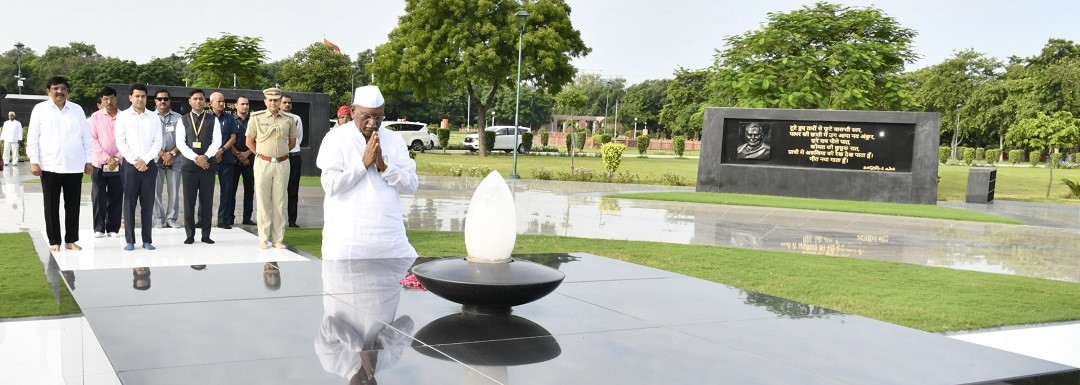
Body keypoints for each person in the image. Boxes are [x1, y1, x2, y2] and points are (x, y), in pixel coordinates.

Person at [316, 85, 419, 261]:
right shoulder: (335, 138)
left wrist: (384, 167)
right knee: (343, 288)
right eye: (367, 116)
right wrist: (363, 165)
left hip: (390, 239)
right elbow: (331, 185)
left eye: (378, 117)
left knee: (398, 284)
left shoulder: (394, 139)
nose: (373, 123)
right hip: (347, 241)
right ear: (353, 111)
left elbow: (411, 185)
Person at [26, 76, 93, 253]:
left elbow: (86, 137)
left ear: (67, 91)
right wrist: (34, 161)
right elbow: (33, 137)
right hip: (49, 165)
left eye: (63, 88)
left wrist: (89, 160)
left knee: (73, 205)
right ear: (48, 91)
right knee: (51, 205)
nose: (59, 92)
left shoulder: (77, 110)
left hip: (74, 165)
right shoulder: (40, 110)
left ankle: (71, 240)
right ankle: (54, 241)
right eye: (55, 88)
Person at [246, 87, 297, 249]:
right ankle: (263, 239)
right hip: (263, 163)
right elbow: (249, 142)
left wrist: (279, 154)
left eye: (276, 100)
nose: (273, 103)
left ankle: (278, 240)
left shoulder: (288, 119)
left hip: (282, 163)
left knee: (279, 202)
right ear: (265, 101)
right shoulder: (256, 117)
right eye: (270, 100)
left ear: (280, 101)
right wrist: (261, 155)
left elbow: (292, 142)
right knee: (262, 201)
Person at [114, 84, 163, 251]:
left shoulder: (153, 117)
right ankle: (130, 240)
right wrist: (135, 160)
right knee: (129, 202)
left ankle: (147, 240)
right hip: (130, 165)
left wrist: (146, 160)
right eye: (137, 96)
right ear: (130, 97)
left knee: (148, 203)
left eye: (143, 96)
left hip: (149, 166)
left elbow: (158, 142)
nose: (140, 99)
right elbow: (121, 141)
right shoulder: (123, 117)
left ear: (146, 98)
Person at [176, 89, 222, 245]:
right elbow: (180, 143)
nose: (198, 101)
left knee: (206, 202)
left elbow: (217, 141)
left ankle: (206, 234)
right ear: (190, 101)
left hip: (207, 166)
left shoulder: (212, 119)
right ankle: (189, 234)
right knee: (189, 202)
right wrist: (196, 158)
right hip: (189, 166)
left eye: (201, 99)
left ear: (205, 101)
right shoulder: (182, 120)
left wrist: (205, 157)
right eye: (195, 99)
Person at [88, 87, 124, 238]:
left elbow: (128, 139)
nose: (109, 102)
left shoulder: (124, 116)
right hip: (100, 163)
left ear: (116, 98)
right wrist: (106, 158)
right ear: (101, 100)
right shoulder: (94, 118)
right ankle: (99, 227)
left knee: (116, 195)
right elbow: (92, 139)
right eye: (105, 99)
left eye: (112, 98)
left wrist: (116, 158)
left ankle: (113, 228)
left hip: (119, 163)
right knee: (99, 196)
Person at [152, 89, 183, 229]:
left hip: (175, 159)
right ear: (155, 101)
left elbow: (183, 140)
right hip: (155, 159)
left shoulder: (179, 118)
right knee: (155, 191)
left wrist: (172, 153)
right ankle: (158, 219)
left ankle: (171, 218)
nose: (162, 101)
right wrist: (161, 154)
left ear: (169, 101)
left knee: (174, 190)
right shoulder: (149, 118)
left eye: (165, 99)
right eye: (160, 99)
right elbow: (147, 140)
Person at [209, 92, 240, 229]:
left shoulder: (230, 118)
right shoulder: (206, 118)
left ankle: (223, 219)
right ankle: (202, 219)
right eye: (218, 101)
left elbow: (233, 137)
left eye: (223, 101)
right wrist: (214, 152)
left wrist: (221, 150)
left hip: (226, 158)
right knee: (206, 190)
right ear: (211, 103)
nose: (221, 104)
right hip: (209, 159)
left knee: (226, 190)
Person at [230, 96, 256, 226]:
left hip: (250, 159)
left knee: (249, 190)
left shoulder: (254, 121)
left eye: (247, 104)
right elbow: (227, 139)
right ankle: (230, 217)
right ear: (236, 105)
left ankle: (247, 217)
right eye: (242, 104)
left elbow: (258, 140)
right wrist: (238, 154)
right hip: (233, 159)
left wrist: (247, 154)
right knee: (231, 189)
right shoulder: (231, 120)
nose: (245, 106)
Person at [281, 94, 304, 228]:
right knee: (278, 191)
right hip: (280, 158)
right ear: (279, 104)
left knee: (293, 191)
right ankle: (278, 220)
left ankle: (292, 220)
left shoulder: (297, 119)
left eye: (289, 102)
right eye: (284, 102)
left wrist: (290, 149)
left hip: (294, 157)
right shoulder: (275, 118)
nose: (287, 105)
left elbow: (298, 137)